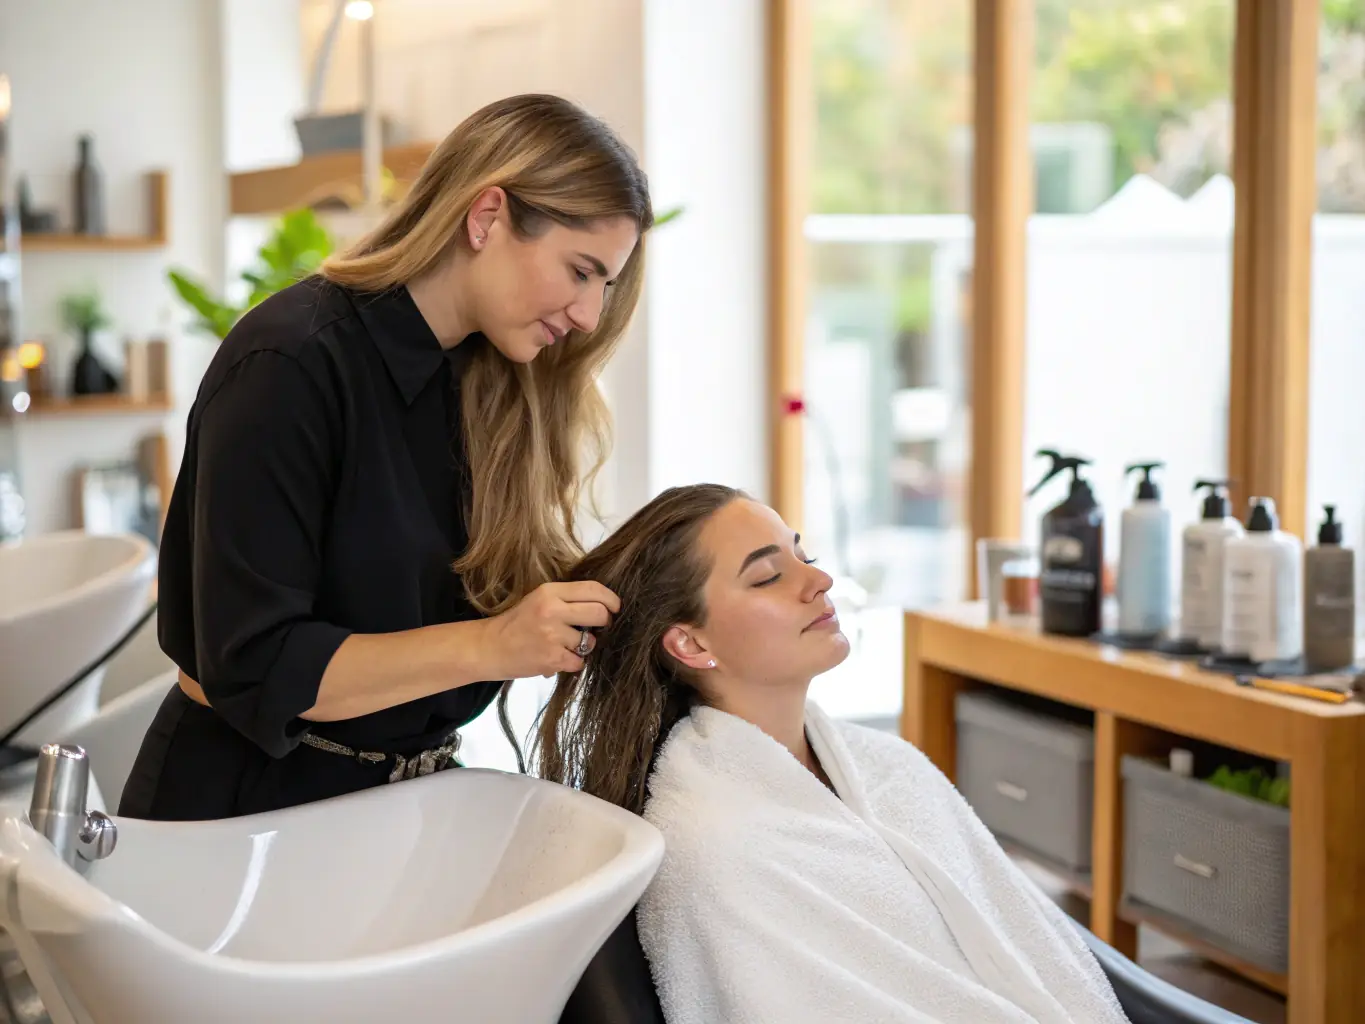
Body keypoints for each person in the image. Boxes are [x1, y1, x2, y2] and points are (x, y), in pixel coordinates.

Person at [120, 93, 651, 821]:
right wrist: (493, 645)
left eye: (607, 284)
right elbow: (261, 665)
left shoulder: (493, 384)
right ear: (487, 217)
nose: (589, 315)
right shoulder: (290, 363)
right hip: (243, 817)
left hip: (399, 805)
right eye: (581, 271)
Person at [535, 484, 1130, 1024]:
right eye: (768, 576)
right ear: (691, 643)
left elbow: (1020, 941)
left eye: (804, 556)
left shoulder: (888, 765)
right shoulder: (715, 842)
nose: (817, 582)